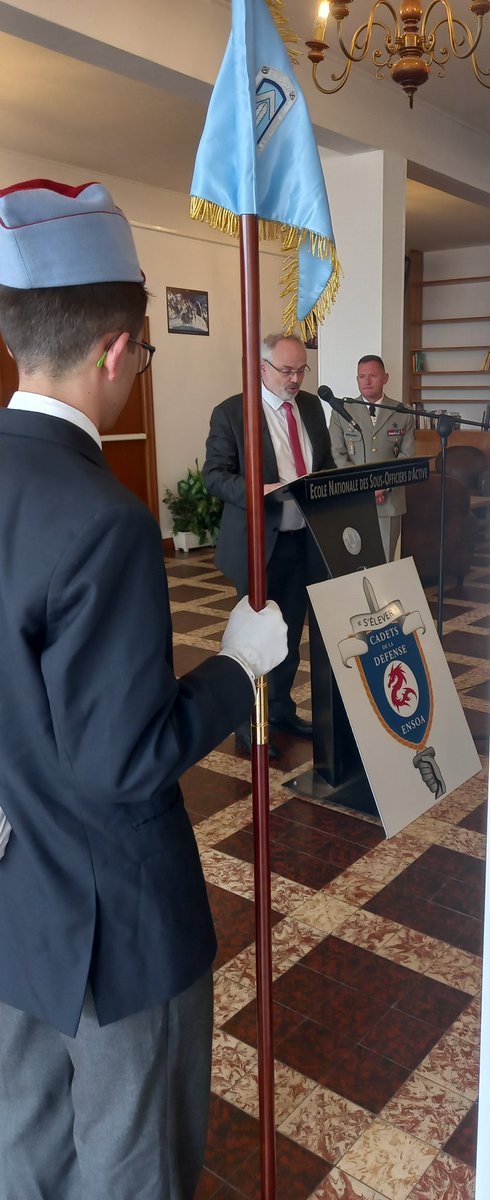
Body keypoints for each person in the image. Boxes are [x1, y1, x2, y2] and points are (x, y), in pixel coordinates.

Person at [0, 178, 288, 1200]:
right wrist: (237, 667)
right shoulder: (103, 519)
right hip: (115, 927)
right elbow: (122, 761)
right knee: (132, 1169)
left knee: (26, 1160)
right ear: (118, 350)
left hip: (13, 901)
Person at [203, 331, 336, 757]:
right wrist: (262, 489)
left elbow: (325, 463)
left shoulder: (312, 407)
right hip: (259, 543)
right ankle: (245, 720)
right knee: (252, 638)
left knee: (290, 634)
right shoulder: (232, 412)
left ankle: (279, 708)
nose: (295, 378)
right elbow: (215, 476)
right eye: (287, 370)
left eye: (301, 370)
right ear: (262, 368)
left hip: (305, 541)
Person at [329, 354, 416, 561]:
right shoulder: (342, 410)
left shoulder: (402, 412)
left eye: (373, 376)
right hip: (353, 499)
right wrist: (364, 485)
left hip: (389, 501)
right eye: (361, 376)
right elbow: (336, 453)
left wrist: (382, 485)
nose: (366, 381)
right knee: (353, 562)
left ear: (385, 378)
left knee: (384, 562)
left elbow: (407, 455)